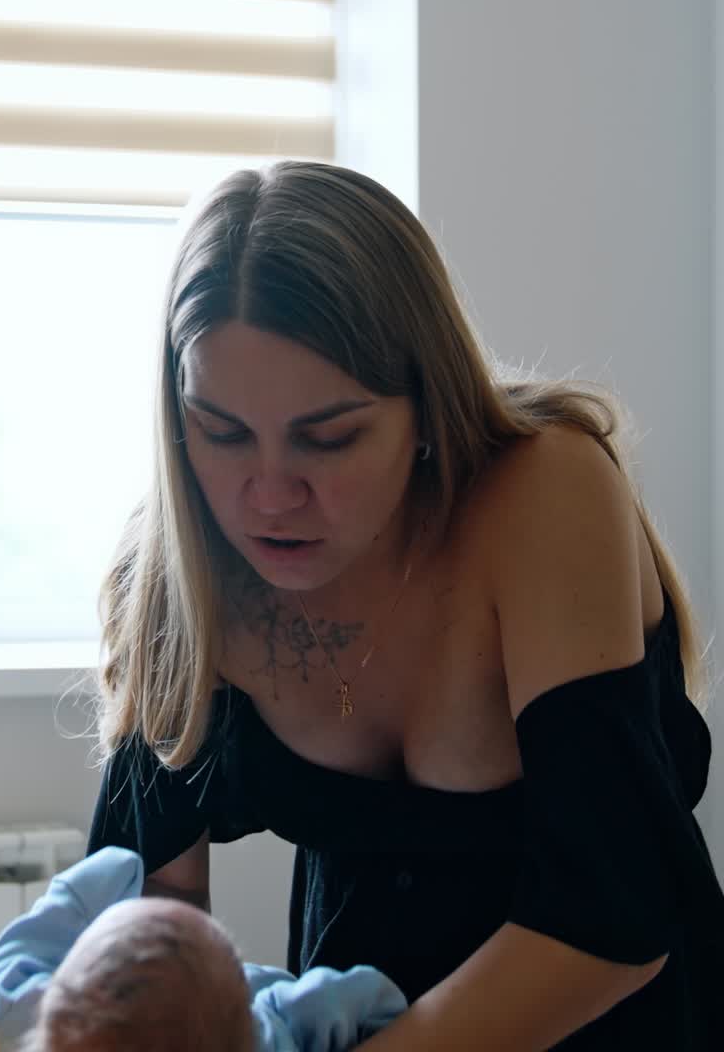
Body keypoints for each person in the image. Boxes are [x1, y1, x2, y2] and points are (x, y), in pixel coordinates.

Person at [87, 160, 724, 1050]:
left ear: (429, 403)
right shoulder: (176, 569)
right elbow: (145, 907)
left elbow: (611, 917)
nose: (269, 495)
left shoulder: (545, 491)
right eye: (222, 432)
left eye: (330, 436)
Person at [0, 847, 406, 1052]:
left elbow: (11, 960)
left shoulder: (23, 1021)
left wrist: (81, 890)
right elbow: (369, 998)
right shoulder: (275, 1027)